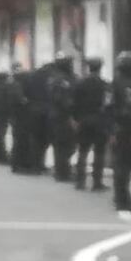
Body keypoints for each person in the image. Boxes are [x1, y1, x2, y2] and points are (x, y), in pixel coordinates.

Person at [108, 51, 131, 212]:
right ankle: (122, 199)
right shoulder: (128, 84)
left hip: (120, 127)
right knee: (124, 164)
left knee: (121, 164)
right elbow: (129, 109)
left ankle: (121, 197)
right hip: (125, 128)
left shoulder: (117, 82)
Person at [72, 57, 110, 191]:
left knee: (82, 151)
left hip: (83, 120)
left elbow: (74, 103)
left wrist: (76, 119)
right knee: (99, 152)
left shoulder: (80, 84)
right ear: (100, 68)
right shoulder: (104, 85)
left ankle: (80, 181)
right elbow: (108, 105)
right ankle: (97, 182)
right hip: (99, 121)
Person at [47, 54, 78, 183]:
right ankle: (62, 172)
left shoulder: (55, 78)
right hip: (63, 116)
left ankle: (62, 170)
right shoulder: (63, 80)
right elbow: (63, 100)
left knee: (61, 145)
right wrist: (71, 113)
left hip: (56, 115)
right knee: (66, 145)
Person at [0, 71, 17, 164]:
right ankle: (1, 155)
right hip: (2, 114)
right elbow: (4, 102)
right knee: (1, 135)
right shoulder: (3, 88)